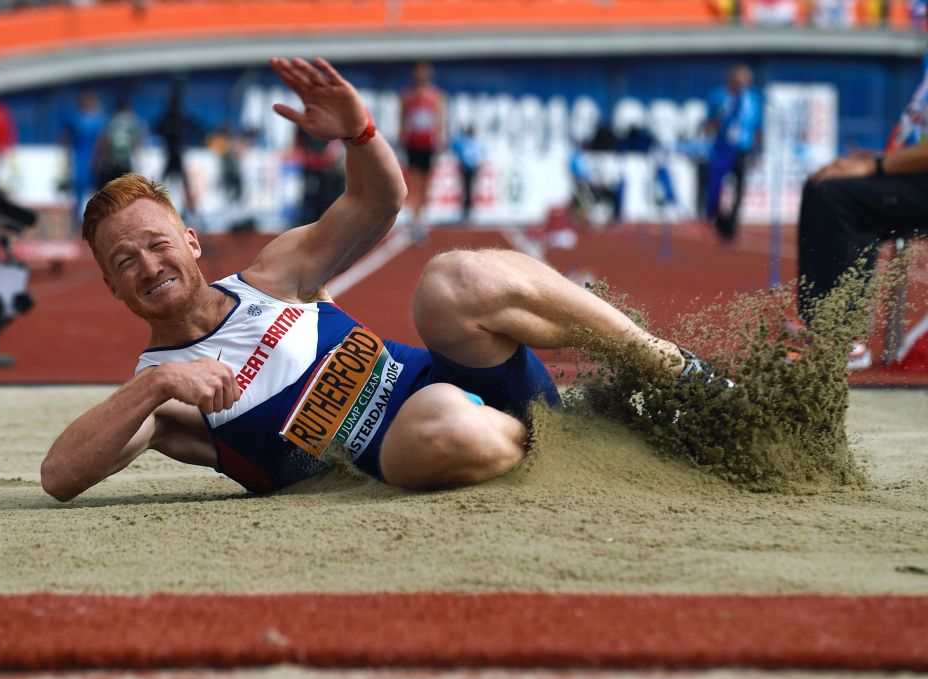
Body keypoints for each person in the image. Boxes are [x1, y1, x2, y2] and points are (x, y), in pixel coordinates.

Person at [39, 57, 727, 503]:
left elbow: (379, 202)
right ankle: (596, 447)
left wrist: (361, 136)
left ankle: (667, 365)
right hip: (421, 446)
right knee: (436, 424)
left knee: (449, 279)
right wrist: (159, 381)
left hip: (472, 383)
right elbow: (60, 475)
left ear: (189, 241)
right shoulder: (160, 396)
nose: (149, 266)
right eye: (124, 262)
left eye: (157, 244)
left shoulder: (273, 274)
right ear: (111, 287)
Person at [796, 51, 928, 370]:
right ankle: (822, 323)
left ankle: (844, 337)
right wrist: (875, 159)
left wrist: (875, 166)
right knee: (820, 184)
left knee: (836, 197)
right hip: (915, 178)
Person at [702, 65, 763, 242]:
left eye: (747, 79)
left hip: (743, 149)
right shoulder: (719, 96)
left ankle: (732, 225)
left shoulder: (754, 99)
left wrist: (758, 150)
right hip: (722, 148)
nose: (743, 83)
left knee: (740, 188)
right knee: (716, 186)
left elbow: (758, 127)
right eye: (740, 79)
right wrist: (720, 118)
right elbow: (709, 123)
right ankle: (718, 218)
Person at [400, 61, 444, 244]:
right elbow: (402, 120)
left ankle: (421, 220)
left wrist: (439, 142)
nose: (421, 76)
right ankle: (415, 222)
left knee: (425, 186)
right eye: (418, 72)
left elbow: (439, 121)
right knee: (414, 184)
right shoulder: (408, 97)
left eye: (424, 72)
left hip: (428, 146)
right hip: (413, 145)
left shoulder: (435, 97)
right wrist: (402, 139)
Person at [61, 90, 107, 229]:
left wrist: (100, 158)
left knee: (96, 187)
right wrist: (68, 155)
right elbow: (67, 137)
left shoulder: (99, 119)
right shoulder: (75, 118)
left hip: (94, 156)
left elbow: (102, 140)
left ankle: (96, 216)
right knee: (79, 187)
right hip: (79, 156)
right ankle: (77, 219)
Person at [156, 80, 200, 218]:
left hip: (175, 154)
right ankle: (157, 207)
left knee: (176, 184)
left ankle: (191, 211)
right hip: (173, 154)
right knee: (164, 184)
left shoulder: (176, 117)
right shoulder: (173, 118)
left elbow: (194, 128)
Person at [96, 96, 146, 188]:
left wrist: (102, 159)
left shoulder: (111, 120)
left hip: (113, 159)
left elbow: (105, 141)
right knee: (126, 187)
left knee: (112, 186)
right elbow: (136, 141)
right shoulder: (134, 121)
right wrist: (139, 159)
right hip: (126, 159)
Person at [449, 124, 483, 222]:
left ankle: (467, 208)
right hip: (467, 168)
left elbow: (477, 155)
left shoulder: (470, 142)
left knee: (468, 188)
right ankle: (466, 208)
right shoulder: (469, 142)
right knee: (467, 188)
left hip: (470, 168)